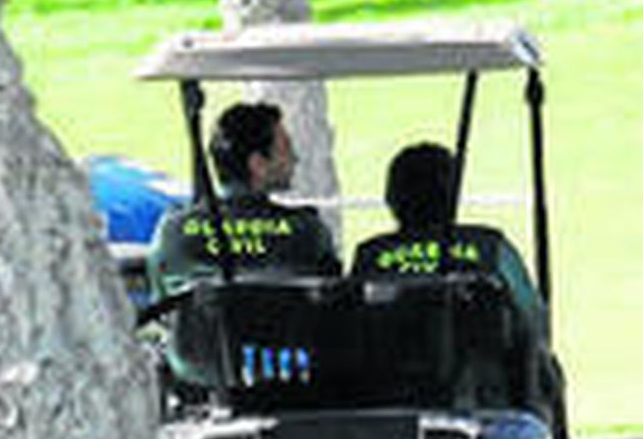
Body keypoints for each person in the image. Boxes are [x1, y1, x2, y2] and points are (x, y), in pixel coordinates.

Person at [352, 142, 547, 342]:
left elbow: (351, 326)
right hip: (480, 369)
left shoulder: (370, 255)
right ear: (453, 195)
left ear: (391, 198)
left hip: (388, 371)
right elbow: (534, 321)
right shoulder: (490, 248)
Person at [148, 100, 340, 301]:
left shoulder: (173, 230)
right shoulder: (307, 233)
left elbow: (160, 305)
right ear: (258, 164)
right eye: (285, 148)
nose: (295, 158)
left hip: (196, 332)